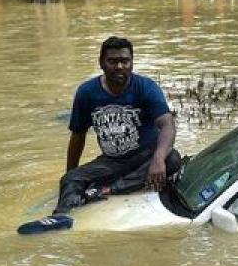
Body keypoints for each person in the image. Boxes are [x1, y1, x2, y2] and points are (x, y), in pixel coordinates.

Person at [18, 36, 180, 234]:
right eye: (113, 61)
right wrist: (71, 175)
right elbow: (78, 136)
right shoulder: (87, 92)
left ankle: (107, 190)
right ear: (101, 63)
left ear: (131, 63)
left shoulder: (145, 87)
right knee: (71, 179)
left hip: (144, 157)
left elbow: (168, 125)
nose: (119, 66)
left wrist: (157, 159)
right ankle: (60, 217)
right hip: (111, 161)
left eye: (125, 61)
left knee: (172, 159)